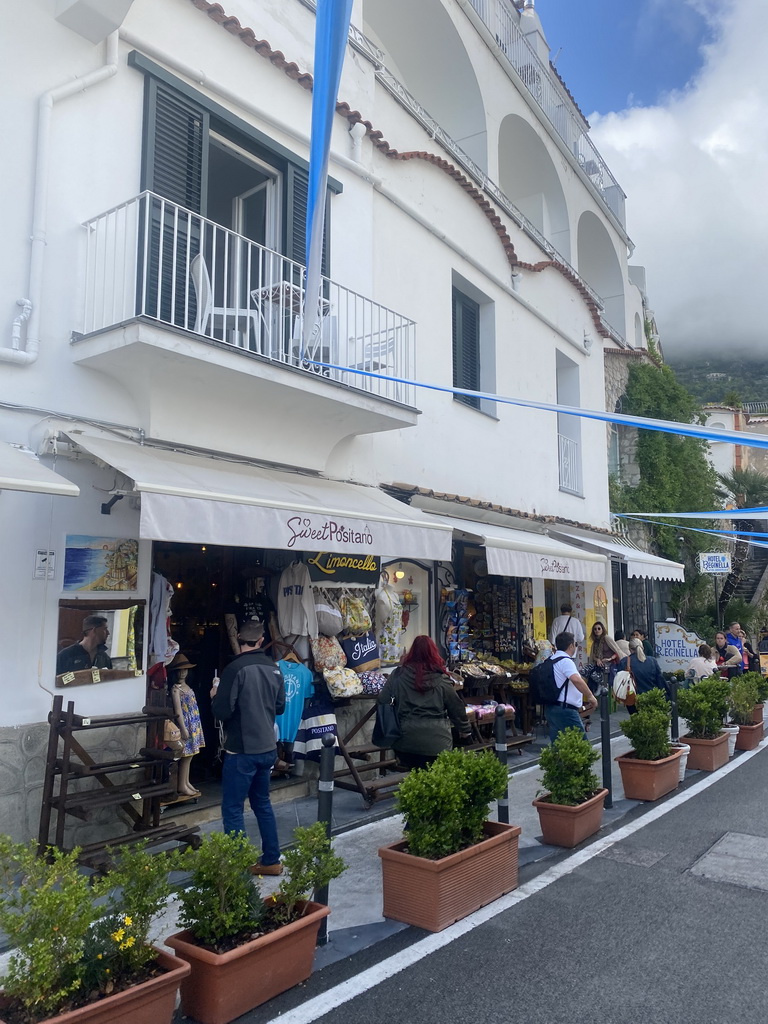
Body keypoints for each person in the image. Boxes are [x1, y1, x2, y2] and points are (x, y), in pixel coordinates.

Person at [211, 622, 286, 875]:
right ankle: (271, 860)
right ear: (262, 640)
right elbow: (280, 707)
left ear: (238, 639)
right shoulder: (274, 668)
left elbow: (222, 711)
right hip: (267, 746)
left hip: (242, 749)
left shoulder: (235, 669)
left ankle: (237, 867)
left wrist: (214, 695)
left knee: (232, 808)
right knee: (262, 803)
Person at [377, 635, 471, 769]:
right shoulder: (442, 679)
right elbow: (456, 708)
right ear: (434, 653)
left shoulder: (397, 675)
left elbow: (382, 700)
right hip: (437, 743)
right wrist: (465, 730)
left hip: (404, 741)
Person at [544, 631, 598, 743]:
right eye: (576, 644)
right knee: (581, 746)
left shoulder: (551, 660)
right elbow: (576, 680)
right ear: (571, 646)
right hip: (566, 710)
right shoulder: (566, 661)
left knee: (558, 746)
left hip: (551, 708)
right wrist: (590, 696)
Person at [167, 652, 205, 798]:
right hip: (186, 725)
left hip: (194, 723)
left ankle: (186, 781)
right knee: (186, 754)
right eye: (180, 670)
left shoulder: (187, 686)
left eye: (185, 670)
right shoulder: (176, 689)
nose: (183, 673)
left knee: (191, 755)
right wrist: (183, 728)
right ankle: (182, 785)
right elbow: (178, 711)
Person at [618, 637, 668, 715]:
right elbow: (660, 681)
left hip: (632, 699)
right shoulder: (652, 661)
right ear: (643, 648)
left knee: (636, 720)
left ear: (630, 649)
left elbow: (619, 681)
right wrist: (668, 697)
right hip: (651, 696)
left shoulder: (624, 662)